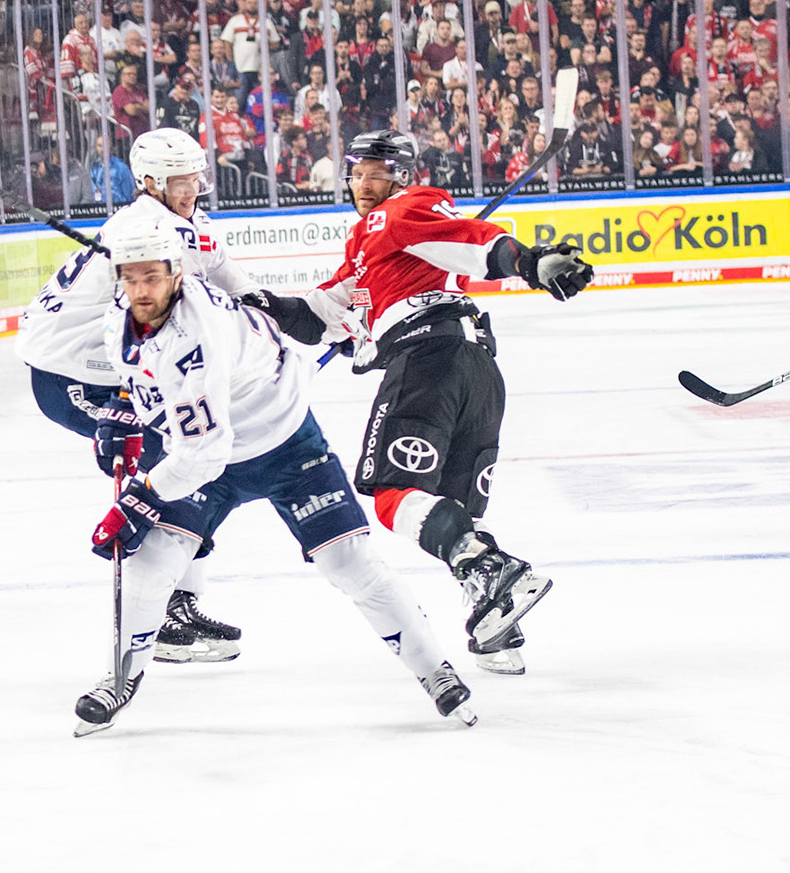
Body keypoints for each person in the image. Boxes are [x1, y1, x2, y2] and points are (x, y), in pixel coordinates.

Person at [74, 214, 474, 734]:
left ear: (177, 273)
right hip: (210, 448)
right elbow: (144, 375)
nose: (140, 290)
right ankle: (120, 677)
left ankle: (435, 671)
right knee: (151, 567)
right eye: (130, 278)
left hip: (282, 445)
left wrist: (139, 499)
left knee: (351, 564)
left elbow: (203, 456)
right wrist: (126, 409)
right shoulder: (123, 314)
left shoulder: (196, 339)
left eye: (152, 276)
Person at [241, 132, 593, 675]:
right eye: (357, 173)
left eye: (376, 173)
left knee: (392, 495)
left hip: (429, 360)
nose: (363, 184)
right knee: (451, 512)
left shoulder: (400, 210)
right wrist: (261, 303)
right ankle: (495, 618)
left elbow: (472, 242)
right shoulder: (368, 246)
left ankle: (491, 570)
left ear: (401, 176)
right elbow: (320, 313)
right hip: (476, 369)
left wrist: (528, 262)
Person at [19, 128, 251, 662]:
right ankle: (158, 610)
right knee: (176, 459)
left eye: (196, 178)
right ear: (150, 183)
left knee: (198, 459)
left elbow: (240, 292)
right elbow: (167, 318)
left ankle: (179, 601)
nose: (192, 190)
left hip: (111, 369)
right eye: (180, 181)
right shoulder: (150, 229)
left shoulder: (185, 224)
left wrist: (305, 320)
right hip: (71, 374)